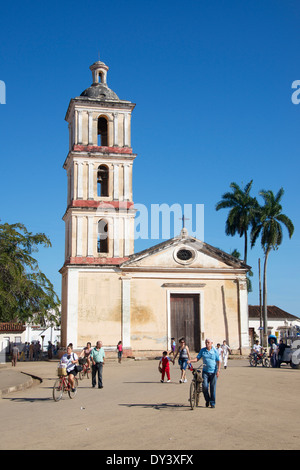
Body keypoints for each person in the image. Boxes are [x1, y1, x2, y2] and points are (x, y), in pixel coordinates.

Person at [189, 338, 220, 408]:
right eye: (206, 343)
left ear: (211, 343)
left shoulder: (215, 351)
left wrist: (218, 370)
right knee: (204, 387)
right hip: (205, 372)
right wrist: (190, 361)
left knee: (212, 388)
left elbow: (218, 361)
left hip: (213, 372)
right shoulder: (203, 350)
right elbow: (197, 358)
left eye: (208, 342)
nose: (207, 344)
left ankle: (212, 403)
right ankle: (207, 400)